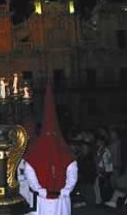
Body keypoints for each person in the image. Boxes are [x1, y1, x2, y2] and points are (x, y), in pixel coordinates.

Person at [23, 83, 78, 215]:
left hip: (61, 200)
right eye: (48, 135)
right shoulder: (34, 157)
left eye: (53, 135)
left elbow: (72, 174)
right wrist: (41, 190)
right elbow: (30, 174)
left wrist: (65, 190)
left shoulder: (66, 156)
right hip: (42, 200)